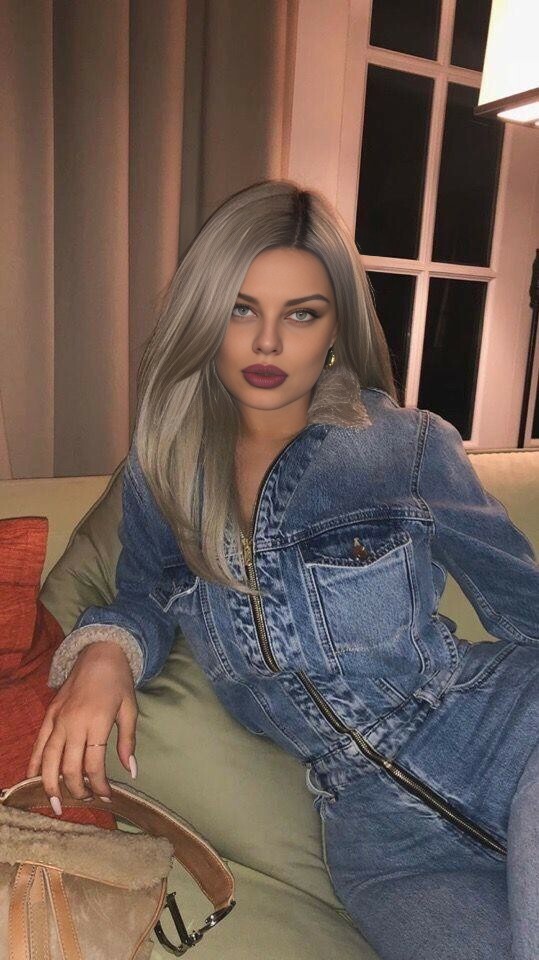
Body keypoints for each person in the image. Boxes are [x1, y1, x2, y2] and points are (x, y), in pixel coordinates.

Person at [27, 180, 539, 959]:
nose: (267, 342)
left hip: (502, 730)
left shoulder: (400, 446)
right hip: (376, 839)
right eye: (241, 309)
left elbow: (522, 604)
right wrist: (105, 652)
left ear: (335, 329)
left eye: (301, 314)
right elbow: (144, 593)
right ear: (205, 316)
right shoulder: (165, 473)